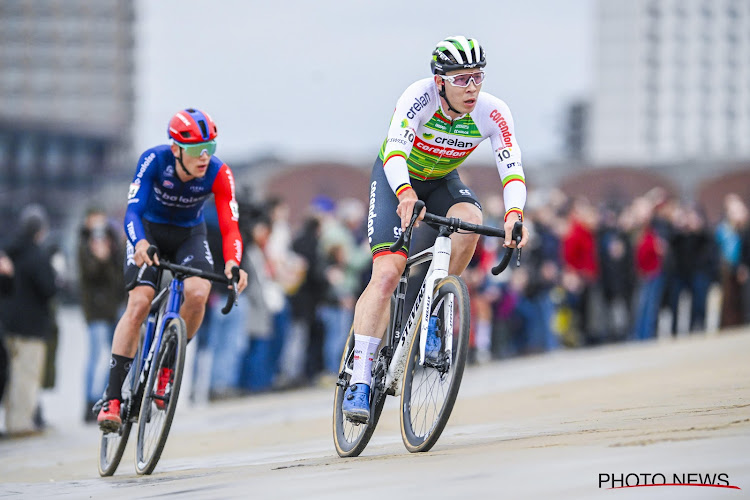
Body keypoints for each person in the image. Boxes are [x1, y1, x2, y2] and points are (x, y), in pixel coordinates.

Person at [342, 36, 529, 422]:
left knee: (472, 222)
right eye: (461, 79)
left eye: (477, 77)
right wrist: (406, 194)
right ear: (440, 81)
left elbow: (511, 167)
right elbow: (395, 151)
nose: (472, 88)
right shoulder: (418, 97)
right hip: (398, 179)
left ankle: (437, 306)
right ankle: (360, 377)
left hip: (442, 180)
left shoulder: (493, 112)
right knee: (388, 272)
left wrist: (514, 213)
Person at [97, 108, 249, 431]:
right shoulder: (154, 161)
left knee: (198, 291)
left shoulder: (219, 173)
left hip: (188, 236)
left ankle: (167, 364)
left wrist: (234, 262)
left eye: (211, 148)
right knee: (139, 303)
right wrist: (138, 243)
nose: (205, 157)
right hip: (147, 231)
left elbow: (230, 227)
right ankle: (112, 397)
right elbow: (131, 213)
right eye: (197, 151)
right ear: (177, 149)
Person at [0, 205, 59, 437]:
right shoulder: (37, 255)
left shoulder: (8, 251)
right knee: (26, 374)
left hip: (7, 323)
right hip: (32, 325)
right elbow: (49, 289)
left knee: (11, 376)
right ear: (39, 230)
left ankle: (11, 419)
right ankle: (20, 424)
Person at [77, 207, 125, 422]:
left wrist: (111, 253)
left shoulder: (113, 241)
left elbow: (120, 274)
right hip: (96, 311)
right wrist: (99, 258)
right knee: (95, 357)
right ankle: (89, 401)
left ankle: (108, 396)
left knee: (117, 354)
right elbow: (89, 274)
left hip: (115, 307)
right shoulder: (83, 244)